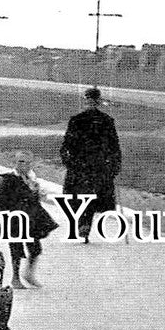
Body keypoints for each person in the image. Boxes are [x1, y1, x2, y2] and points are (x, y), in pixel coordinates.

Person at [60, 86, 121, 242]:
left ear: (86, 101)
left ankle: (83, 225)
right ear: (98, 102)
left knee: (78, 197)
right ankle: (85, 225)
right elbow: (114, 147)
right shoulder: (107, 120)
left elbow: (67, 144)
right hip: (98, 166)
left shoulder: (77, 120)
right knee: (93, 197)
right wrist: (115, 166)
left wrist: (68, 161)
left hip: (80, 165)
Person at [0, 150, 59, 288]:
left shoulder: (31, 178)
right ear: (14, 163)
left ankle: (29, 273)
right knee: (16, 249)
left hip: (32, 219)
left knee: (35, 248)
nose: (24, 165)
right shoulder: (9, 179)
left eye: (27, 162)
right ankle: (15, 278)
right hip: (15, 219)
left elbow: (36, 198)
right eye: (20, 161)